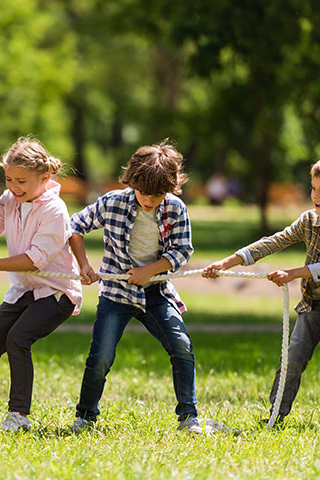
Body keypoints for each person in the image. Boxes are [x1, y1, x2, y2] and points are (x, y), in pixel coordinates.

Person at [203, 150, 320, 425]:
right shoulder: (309, 220)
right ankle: (276, 414)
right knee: (293, 355)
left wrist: (292, 273)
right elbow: (275, 241)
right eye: (313, 188)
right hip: (315, 297)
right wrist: (228, 261)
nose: (315, 196)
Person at [67, 139, 202, 434]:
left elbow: (182, 251)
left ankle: (189, 417)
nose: (150, 200)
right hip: (116, 295)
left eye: (158, 195)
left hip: (156, 292)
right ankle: (85, 416)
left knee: (181, 346)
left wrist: (149, 271)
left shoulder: (175, 209)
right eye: (144, 193)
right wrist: (84, 266)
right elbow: (74, 226)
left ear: (171, 188)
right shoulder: (113, 202)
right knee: (101, 355)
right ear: (132, 182)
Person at [0, 137, 83, 432]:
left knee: (18, 339)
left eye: (21, 181)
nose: (13, 186)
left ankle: (18, 416)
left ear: (45, 178)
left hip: (56, 293)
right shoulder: (10, 200)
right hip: (23, 289)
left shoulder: (55, 210)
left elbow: (35, 259)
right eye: (9, 179)